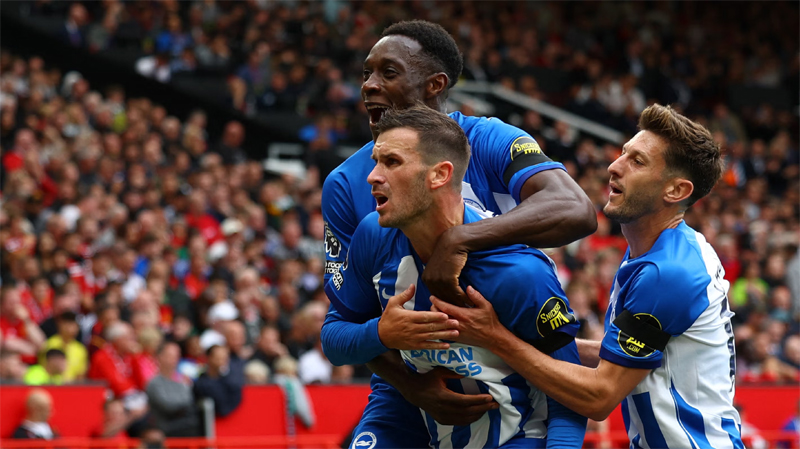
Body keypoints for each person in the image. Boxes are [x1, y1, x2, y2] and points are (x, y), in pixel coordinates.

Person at [321, 20, 595, 445]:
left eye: (388, 73)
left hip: (505, 355)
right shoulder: (345, 184)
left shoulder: (488, 140)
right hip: (408, 379)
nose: (369, 86)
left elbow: (576, 209)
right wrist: (414, 388)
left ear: (435, 85)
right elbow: (344, 322)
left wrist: (459, 241)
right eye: (366, 73)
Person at [433, 104, 744, 448]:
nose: (614, 166)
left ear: (676, 191)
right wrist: (518, 334)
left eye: (637, 162)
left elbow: (598, 397)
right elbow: (629, 357)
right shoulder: (665, 251)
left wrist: (496, 338)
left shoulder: (666, 274)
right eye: (623, 153)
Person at [146, 341, 201, 437]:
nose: (175, 359)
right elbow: (167, 405)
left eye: (177, 355)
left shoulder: (182, 380)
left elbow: (189, 399)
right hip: (166, 426)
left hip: (186, 424)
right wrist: (185, 406)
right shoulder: (154, 383)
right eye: (170, 355)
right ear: (160, 357)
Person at [193, 344, 244, 417]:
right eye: (218, 357)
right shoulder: (200, 384)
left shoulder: (231, 382)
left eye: (224, 357)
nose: (222, 360)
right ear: (209, 358)